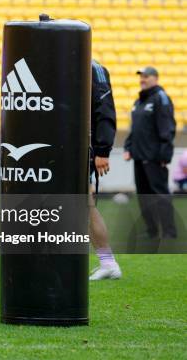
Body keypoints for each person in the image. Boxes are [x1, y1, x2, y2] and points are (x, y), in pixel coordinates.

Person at [124, 66, 177, 239]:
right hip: (139, 157)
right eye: (141, 77)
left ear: (155, 78)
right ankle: (152, 230)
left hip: (155, 158)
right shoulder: (138, 102)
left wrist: (165, 155)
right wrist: (128, 147)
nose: (142, 80)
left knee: (160, 195)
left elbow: (167, 129)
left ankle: (169, 232)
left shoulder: (161, 98)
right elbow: (134, 130)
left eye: (146, 76)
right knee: (143, 196)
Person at [88, 60, 122, 280]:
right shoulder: (61, 60)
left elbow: (105, 107)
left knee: (82, 203)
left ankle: (108, 262)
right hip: (64, 144)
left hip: (83, 146)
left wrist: (102, 150)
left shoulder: (93, 68)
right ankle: (107, 261)